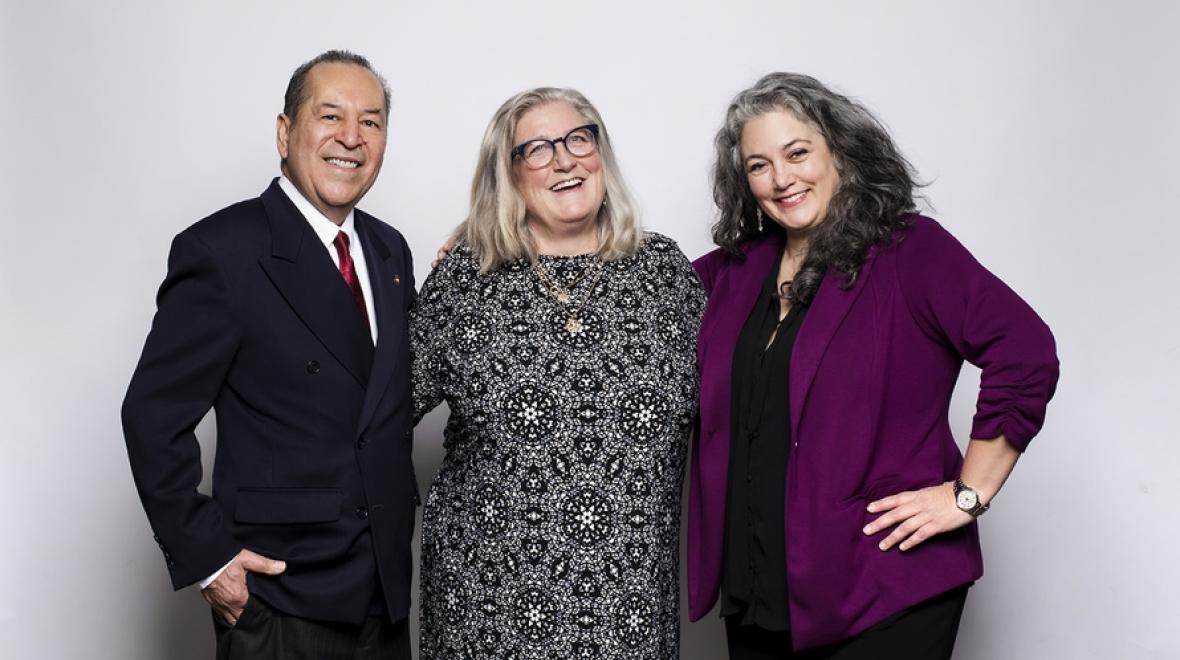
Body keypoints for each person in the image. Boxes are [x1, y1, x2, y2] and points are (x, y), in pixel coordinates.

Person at [688, 72, 1060, 659]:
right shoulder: (732, 273)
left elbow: (1025, 350)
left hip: (885, 585)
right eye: (758, 165)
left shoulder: (910, 250)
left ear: (841, 149)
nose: (781, 178)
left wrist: (968, 493)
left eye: (797, 153)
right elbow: (632, 306)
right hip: (759, 587)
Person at [122, 50, 416, 660]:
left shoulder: (390, 253)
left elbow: (388, 395)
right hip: (280, 595)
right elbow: (152, 415)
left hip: (383, 589)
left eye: (372, 121)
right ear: (285, 133)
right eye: (329, 115)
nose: (351, 138)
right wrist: (209, 560)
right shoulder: (224, 250)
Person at [410, 87, 704, 658]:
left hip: (631, 611)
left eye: (577, 139)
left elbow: (748, 397)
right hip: (489, 609)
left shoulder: (666, 272)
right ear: (509, 174)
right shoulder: (467, 279)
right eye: (537, 150)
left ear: (601, 152)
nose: (565, 160)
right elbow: (375, 414)